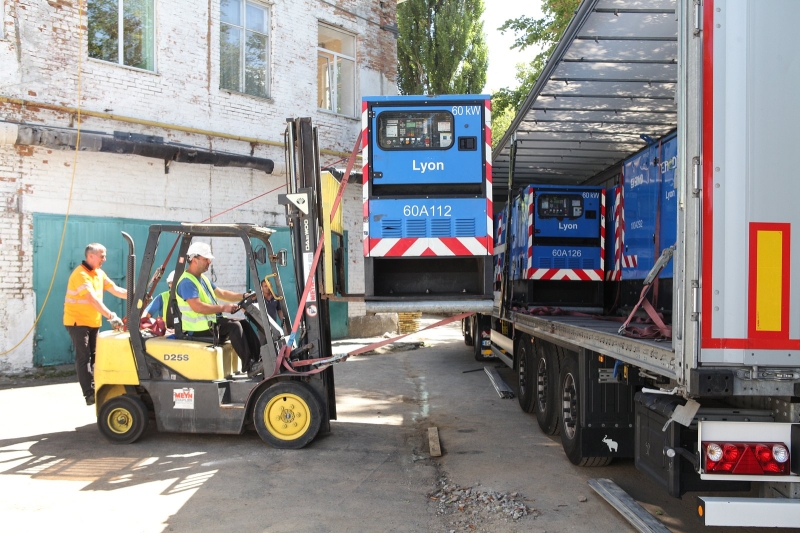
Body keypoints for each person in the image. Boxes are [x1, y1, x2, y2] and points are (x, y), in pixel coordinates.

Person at [175, 242, 260, 373]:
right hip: (198, 329)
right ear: (194, 259)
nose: (209, 262)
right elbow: (197, 307)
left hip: (210, 323)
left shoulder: (202, 279)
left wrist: (244, 295)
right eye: (206, 259)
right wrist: (223, 308)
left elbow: (222, 293)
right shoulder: (187, 282)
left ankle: (258, 360)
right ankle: (249, 366)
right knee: (234, 327)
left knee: (243, 323)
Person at [64, 243, 128, 405]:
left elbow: (115, 289)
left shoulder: (99, 273)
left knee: (96, 356)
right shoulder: (80, 274)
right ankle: (89, 394)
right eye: (102, 256)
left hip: (93, 322)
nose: (104, 259)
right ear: (90, 256)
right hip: (77, 323)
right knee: (84, 356)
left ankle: (97, 387)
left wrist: (136, 295)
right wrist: (111, 315)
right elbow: (91, 299)